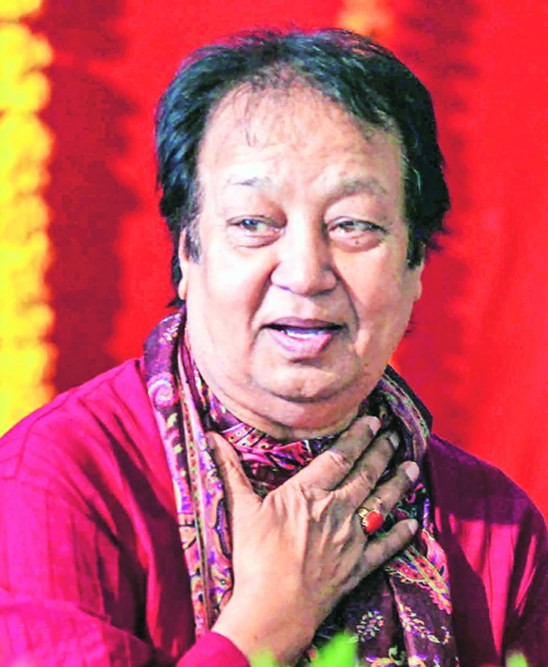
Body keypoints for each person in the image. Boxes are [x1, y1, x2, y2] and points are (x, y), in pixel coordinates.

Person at [0, 28, 546, 667]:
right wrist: (265, 624)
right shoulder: (56, 482)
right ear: (187, 252)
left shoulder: (491, 527)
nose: (306, 273)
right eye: (254, 224)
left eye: (353, 225)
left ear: (415, 262)